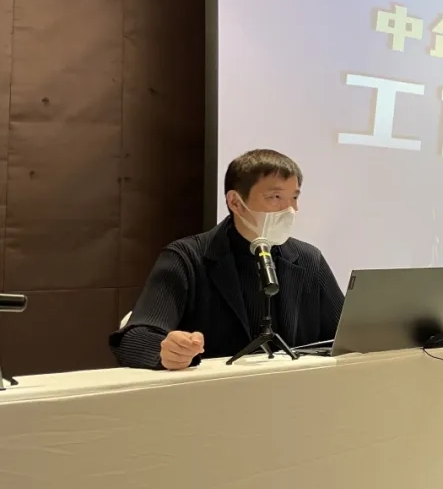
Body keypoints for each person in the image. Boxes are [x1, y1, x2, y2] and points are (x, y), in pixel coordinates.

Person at [110, 149, 344, 370]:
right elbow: (134, 339)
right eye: (275, 197)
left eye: (294, 197)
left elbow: (345, 337)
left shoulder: (308, 260)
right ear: (235, 202)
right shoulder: (187, 257)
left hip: (295, 390)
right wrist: (168, 350)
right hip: (213, 392)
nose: (290, 209)